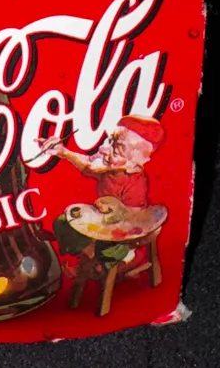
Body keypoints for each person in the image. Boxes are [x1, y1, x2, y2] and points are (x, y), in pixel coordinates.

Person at [38, 115, 166, 269]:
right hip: (101, 223)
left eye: (116, 150)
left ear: (135, 166)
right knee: (62, 223)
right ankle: (91, 259)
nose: (103, 149)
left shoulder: (135, 183)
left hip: (122, 232)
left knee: (108, 248)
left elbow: (132, 224)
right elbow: (87, 164)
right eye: (109, 141)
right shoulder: (108, 171)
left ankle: (126, 260)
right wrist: (63, 152)